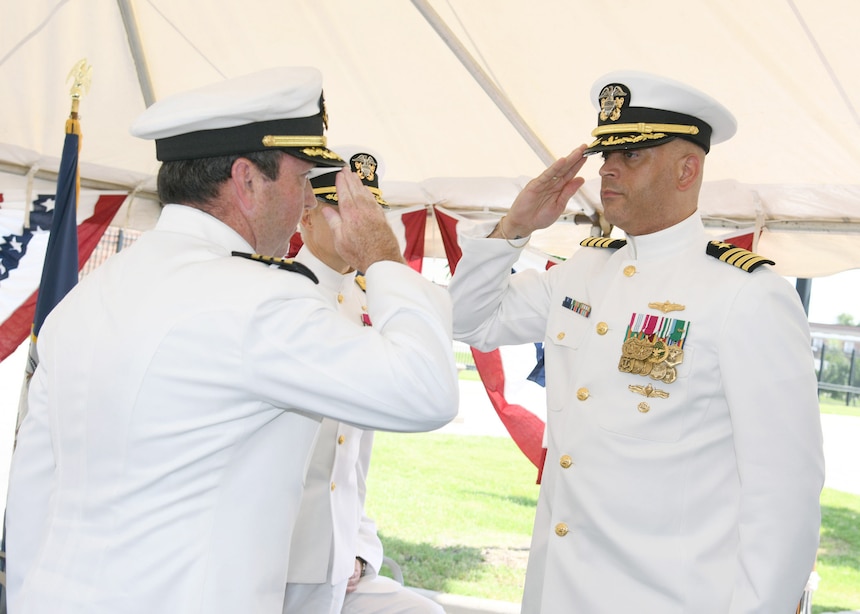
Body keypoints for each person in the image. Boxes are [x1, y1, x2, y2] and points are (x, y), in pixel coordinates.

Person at [5, 67, 458, 614]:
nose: (301, 208)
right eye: (299, 182)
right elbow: (426, 391)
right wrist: (384, 258)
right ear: (246, 180)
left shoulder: (85, 299)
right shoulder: (257, 301)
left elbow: (31, 493)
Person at [448, 70, 824, 613]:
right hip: (558, 594)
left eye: (633, 155)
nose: (609, 169)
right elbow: (468, 319)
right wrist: (514, 226)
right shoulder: (584, 270)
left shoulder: (746, 295)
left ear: (686, 169)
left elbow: (784, 494)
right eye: (606, 155)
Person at [283, 147, 444, 614]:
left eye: (367, 211)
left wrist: (357, 547)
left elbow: (353, 457)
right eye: (339, 208)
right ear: (305, 217)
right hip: (281, 552)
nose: (356, 222)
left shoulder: (368, 302)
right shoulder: (283, 296)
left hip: (338, 553)